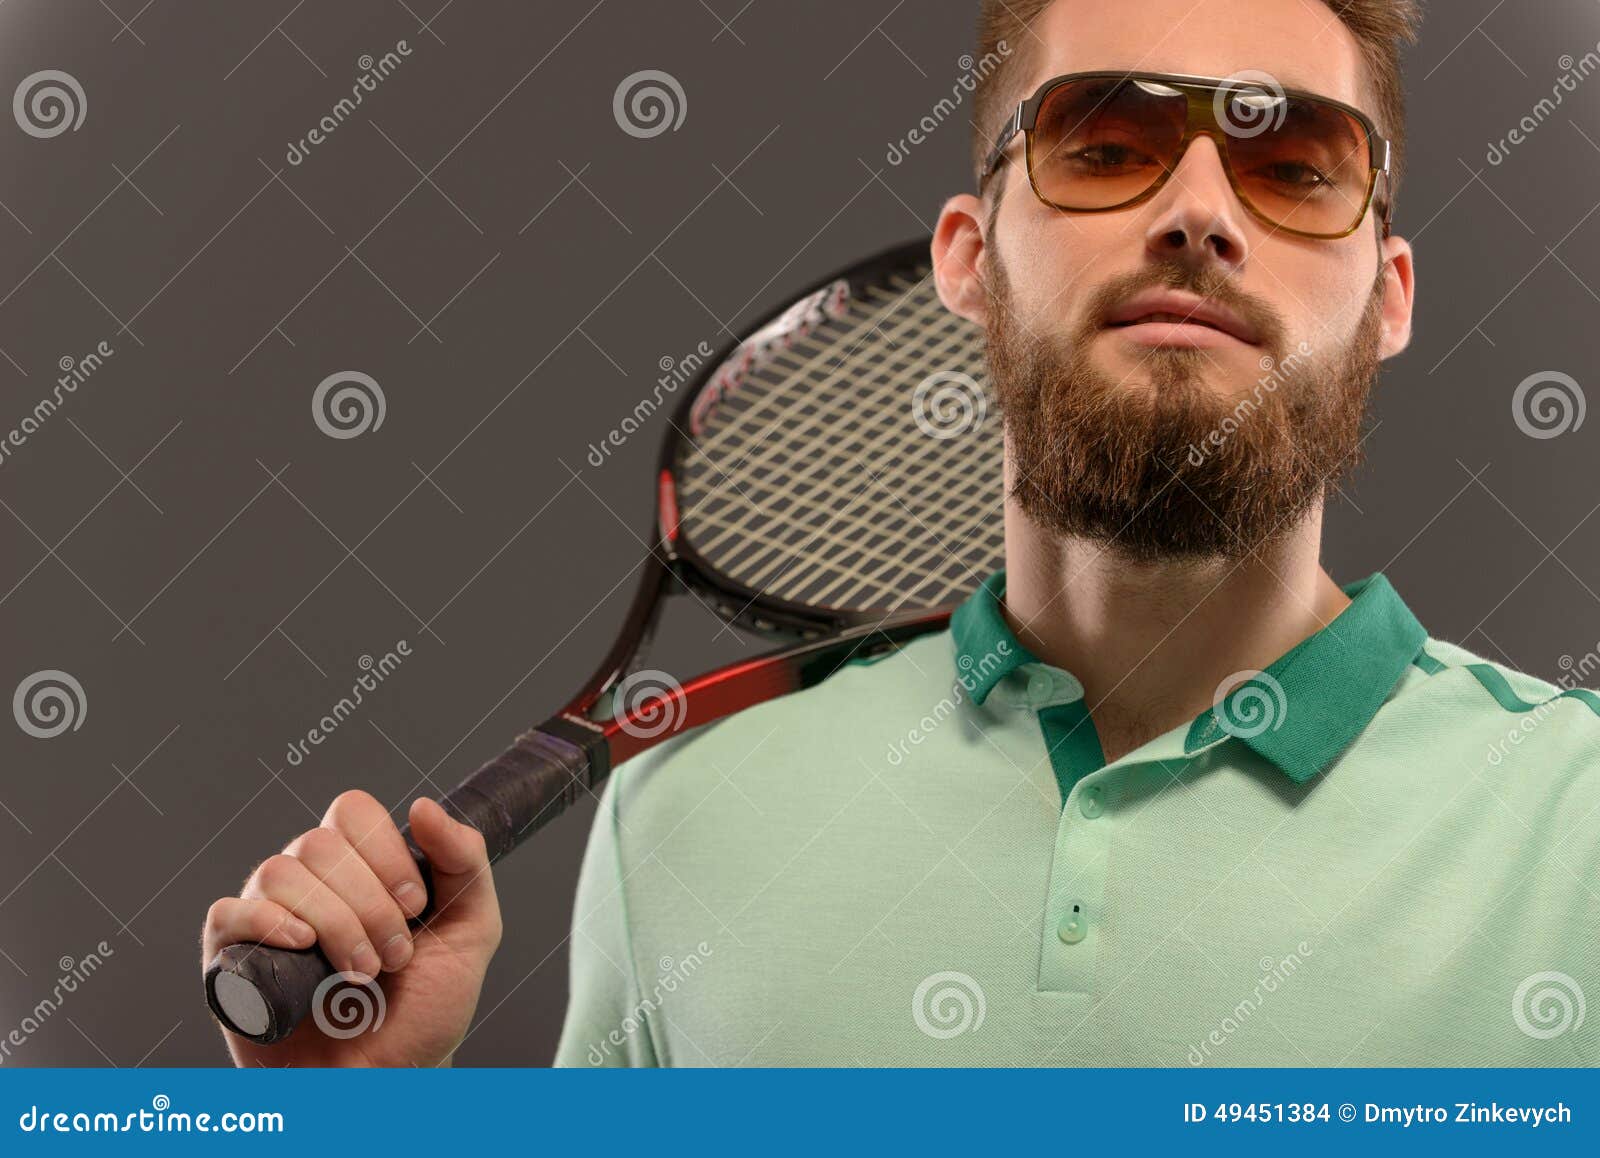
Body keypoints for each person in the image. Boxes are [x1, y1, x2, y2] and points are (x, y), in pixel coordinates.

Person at [203, 0, 1600, 1068]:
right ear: (968, 259)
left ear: (1391, 294)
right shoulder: (674, 818)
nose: (1195, 213)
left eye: (1294, 165)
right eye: (1103, 145)